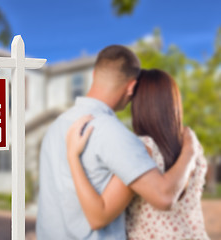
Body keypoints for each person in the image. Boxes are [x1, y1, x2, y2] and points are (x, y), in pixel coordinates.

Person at [36, 45, 200, 239]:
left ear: (95, 74)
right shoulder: (113, 134)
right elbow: (164, 197)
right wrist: (190, 150)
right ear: (131, 87)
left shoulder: (55, 128)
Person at [66, 69, 209, 240]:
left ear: (138, 104)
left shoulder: (141, 150)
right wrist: (190, 150)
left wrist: (73, 156)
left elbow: (99, 217)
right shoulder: (191, 145)